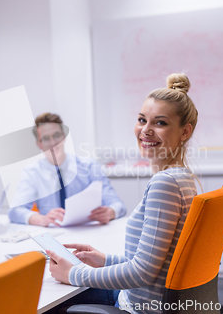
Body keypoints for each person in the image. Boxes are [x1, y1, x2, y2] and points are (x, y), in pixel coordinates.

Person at [45, 73, 199, 314]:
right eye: (142, 120)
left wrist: (72, 273)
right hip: (144, 297)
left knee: (45, 303)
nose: (145, 131)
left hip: (138, 308)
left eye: (160, 123)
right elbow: (157, 266)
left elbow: (143, 273)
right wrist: (103, 259)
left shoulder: (165, 184)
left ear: (185, 132)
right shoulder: (182, 177)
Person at [8, 113, 126, 227]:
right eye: (45, 138)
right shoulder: (32, 172)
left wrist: (110, 212)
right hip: (54, 234)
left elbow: (118, 205)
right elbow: (15, 211)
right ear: (39, 144)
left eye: (56, 136)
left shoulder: (89, 166)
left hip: (88, 231)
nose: (52, 142)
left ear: (63, 137)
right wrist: (42, 219)